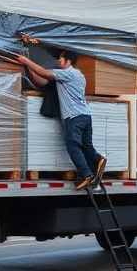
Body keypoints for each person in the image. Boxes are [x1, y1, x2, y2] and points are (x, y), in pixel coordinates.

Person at [17, 50, 107, 190]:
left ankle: (87, 175)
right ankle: (98, 159)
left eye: (61, 59)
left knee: (72, 145)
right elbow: (42, 79)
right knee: (86, 145)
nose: (59, 61)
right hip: (86, 116)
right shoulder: (79, 75)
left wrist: (26, 61)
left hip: (74, 117)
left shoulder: (67, 74)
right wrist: (28, 66)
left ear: (68, 61)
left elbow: (43, 73)